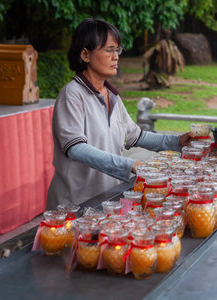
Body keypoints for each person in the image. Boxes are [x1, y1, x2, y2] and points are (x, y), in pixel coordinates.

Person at [46, 18, 191, 209]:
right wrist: (129, 165)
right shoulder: (72, 95)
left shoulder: (112, 96)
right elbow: (76, 148)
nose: (116, 57)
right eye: (109, 50)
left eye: (117, 50)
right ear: (85, 54)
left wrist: (176, 142)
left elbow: (135, 136)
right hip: (75, 205)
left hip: (107, 200)